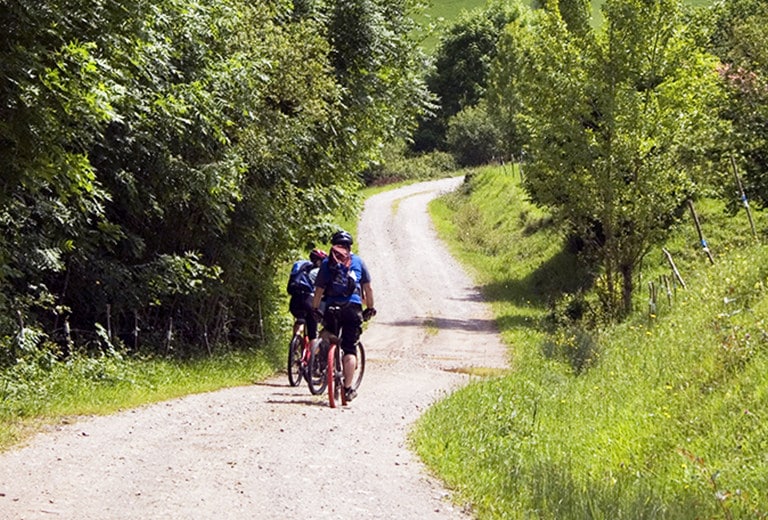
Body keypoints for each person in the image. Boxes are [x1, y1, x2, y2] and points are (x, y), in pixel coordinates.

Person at [312, 230, 376, 402]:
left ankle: (325, 360)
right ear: (350, 246)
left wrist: (315, 308)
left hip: (332, 306)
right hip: (352, 307)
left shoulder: (327, 263)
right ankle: (347, 390)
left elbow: (319, 289)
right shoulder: (358, 262)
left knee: (325, 332)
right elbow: (368, 289)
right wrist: (370, 308)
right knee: (350, 349)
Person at [287, 248, 327, 341]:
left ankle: (295, 341)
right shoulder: (317, 271)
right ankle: (313, 352)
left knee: (300, 320)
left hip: (295, 300)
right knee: (312, 330)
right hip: (308, 301)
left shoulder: (301, 269)